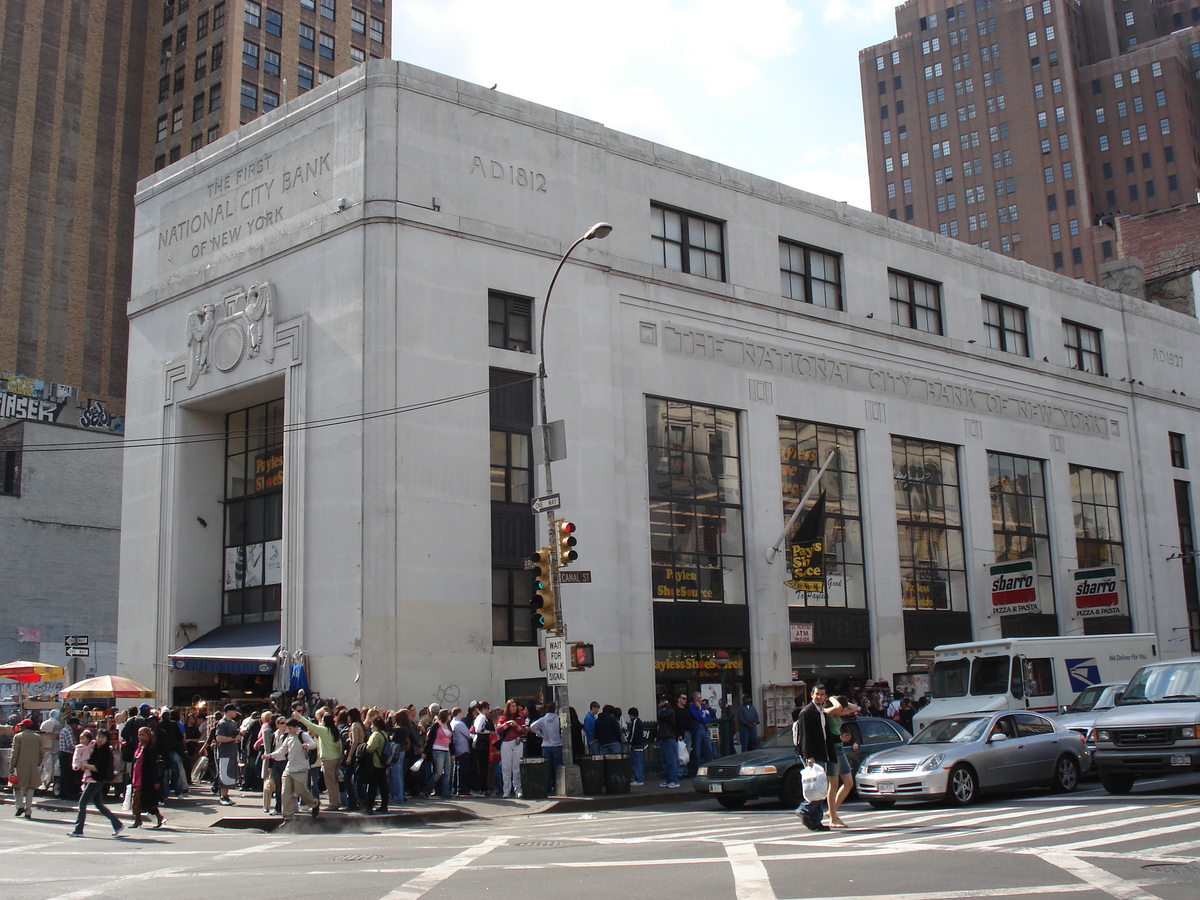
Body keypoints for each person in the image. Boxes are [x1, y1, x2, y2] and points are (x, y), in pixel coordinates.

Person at [794, 684, 835, 833]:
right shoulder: (807, 712)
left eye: (822, 694)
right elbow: (804, 736)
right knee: (816, 787)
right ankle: (804, 810)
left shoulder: (821, 712)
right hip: (813, 755)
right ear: (811, 695)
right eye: (817, 694)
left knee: (820, 787)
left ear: (825, 696)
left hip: (822, 752)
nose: (819, 696)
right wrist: (808, 756)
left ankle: (815, 821)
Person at [71, 729, 124, 837]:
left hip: (96, 780)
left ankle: (78, 830)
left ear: (106, 740)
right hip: (94, 779)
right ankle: (117, 824)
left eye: (103, 738)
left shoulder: (105, 752)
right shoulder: (95, 748)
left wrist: (85, 765)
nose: (100, 739)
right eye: (98, 737)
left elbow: (97, 768)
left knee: (82, 803)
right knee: (99, 805)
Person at [268, 718, 320, 820]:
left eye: (290, 728)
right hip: (289, 768)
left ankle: (314, 803)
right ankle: (288, 817)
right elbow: (282, 750)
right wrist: (270, 756)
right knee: (285, 793)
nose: (289, 730)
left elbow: (313, 744)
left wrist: (307, 745)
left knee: (301, 791)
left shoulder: (303, 735)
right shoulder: (289, 737)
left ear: (296, 727)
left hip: (301, 767)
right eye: (288, 728)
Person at [824, 695, 859, 829]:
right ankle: (833, 818)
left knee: (848, 782)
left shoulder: (836, 713)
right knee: (833, 784)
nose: (842, 712)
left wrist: (842, 702)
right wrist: (833, 698)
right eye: (840, 709)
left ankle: (832, 811)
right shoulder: (826, 712)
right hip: (831, 750)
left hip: (840, 748)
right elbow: (838, 707)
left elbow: (854, 707)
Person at [297, 710, 342, 811]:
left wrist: (299, 717)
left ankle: (333, 804)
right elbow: (340, 746)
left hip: (327, 759)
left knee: (329, 782)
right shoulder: (335, 731)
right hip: (336, 758)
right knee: (335, 782)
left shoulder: (324, 730)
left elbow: (311, 725)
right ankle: (337, 801)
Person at [130, 726, 165, 828]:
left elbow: (153, 766)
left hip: (145, 778)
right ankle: (139, 820)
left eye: (143, 735)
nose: (141, 737)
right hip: (136, 776)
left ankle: (142, 819)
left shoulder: (150, 748)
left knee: (141, 800)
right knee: (138, 800)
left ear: (148, 736)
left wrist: (155, 781)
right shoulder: (139, 747)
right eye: (139, 735)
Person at [496, 699, 527, 798]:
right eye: (512, 706)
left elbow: (524, 731)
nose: (513, 708)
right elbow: (499, 730)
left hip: (517, 742)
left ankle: (518, 788)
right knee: (506, 767)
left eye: (515, 706)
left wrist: (516, 726)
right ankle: (506, 790)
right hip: (506, 743)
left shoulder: (520, 718)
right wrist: (507, 724)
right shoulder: (503, 718)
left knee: (517, 767)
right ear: (508, 708)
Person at [10, 718, 41, 819]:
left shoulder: (18, 737)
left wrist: (11, 766)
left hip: (20, 765)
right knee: (30, 788)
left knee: (16, 786)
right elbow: (42, 752)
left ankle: (20, 806)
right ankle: (28, 811)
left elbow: (14, 753)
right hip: (33, 766)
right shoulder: (37, 737)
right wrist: (38, 763)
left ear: (24, 726)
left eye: (21, 726)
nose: (19, 727)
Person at [361, 716, 390, 813]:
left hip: (375, 763)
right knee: (383, 786)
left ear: (375, 725)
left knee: (373, 786)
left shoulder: (376, 735)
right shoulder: (385, 734)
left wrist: (365, 745)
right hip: (383, 763)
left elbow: (370, 748)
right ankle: (384, 806)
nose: (371, 727)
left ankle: (369, 807)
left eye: (372, 725)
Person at [530, 702, 562, 789]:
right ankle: (557, 785)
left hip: (546, 745)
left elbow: (533, 726)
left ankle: (548, 786)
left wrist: (540, 735)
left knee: (547, 767)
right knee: (557, 767)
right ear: (555, 710)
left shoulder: (543, 719)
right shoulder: (558, 719)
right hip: (557, 745)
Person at [214, 704, 240, 806]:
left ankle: (226, 795)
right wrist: (233, 739)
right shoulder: (222, 723)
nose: (235, 713)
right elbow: (219, 738)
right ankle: (222, 796)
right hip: (224, 753)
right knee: (224, 775)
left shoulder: (233, 723)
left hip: (232, 752)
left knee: (229, 775)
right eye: (234, 711)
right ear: (228, 711)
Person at [656, 699, 681, 789]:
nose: (661, 702)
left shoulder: (670, 711)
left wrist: (659, 707)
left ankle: (674, 780)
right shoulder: (666, 711)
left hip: (669, 737)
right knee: (665, 761)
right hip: (664, 737)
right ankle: (668, 779)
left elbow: (661, 716)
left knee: (671, 760)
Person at [469, 701, 492, 797]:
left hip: (481, 742)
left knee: (484, 767)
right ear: (483, 709)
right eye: (487, 708)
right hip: (480, 743)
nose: (488, 710)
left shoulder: (480, 717)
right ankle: (476, 788)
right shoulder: (482, 717)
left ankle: (483, 788)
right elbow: (478, 729)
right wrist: (488, 732)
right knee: (482, 767)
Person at [450, 707, 472, 796]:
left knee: (456, 769)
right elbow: (468, 734)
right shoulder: (460, 724)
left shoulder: (451, 723)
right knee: (462, 770)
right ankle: (461, 788)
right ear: (459, 714)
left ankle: (454, 788)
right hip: (463, 748)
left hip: (456, 748)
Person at [58, 716, 81, 801]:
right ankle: (68, 793)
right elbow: (70, 745)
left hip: (63, 754)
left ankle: (63, 793)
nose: (76, 727)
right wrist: (79, 747)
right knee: (68, 775)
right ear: (73, 724)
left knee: (64, 775)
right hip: (66, 754)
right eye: (76, 725)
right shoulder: (68, 731)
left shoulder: (64, 730)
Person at [626, 707, 645, 786]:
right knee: (639, 762)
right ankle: (640, 777)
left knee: (635, 762)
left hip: (636, 745)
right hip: (640, 744)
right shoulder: (640, 722)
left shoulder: (635, 722)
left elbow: (633, 734)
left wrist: (630, 744)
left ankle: (638, 779)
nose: (629, 717)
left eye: (630, 715)